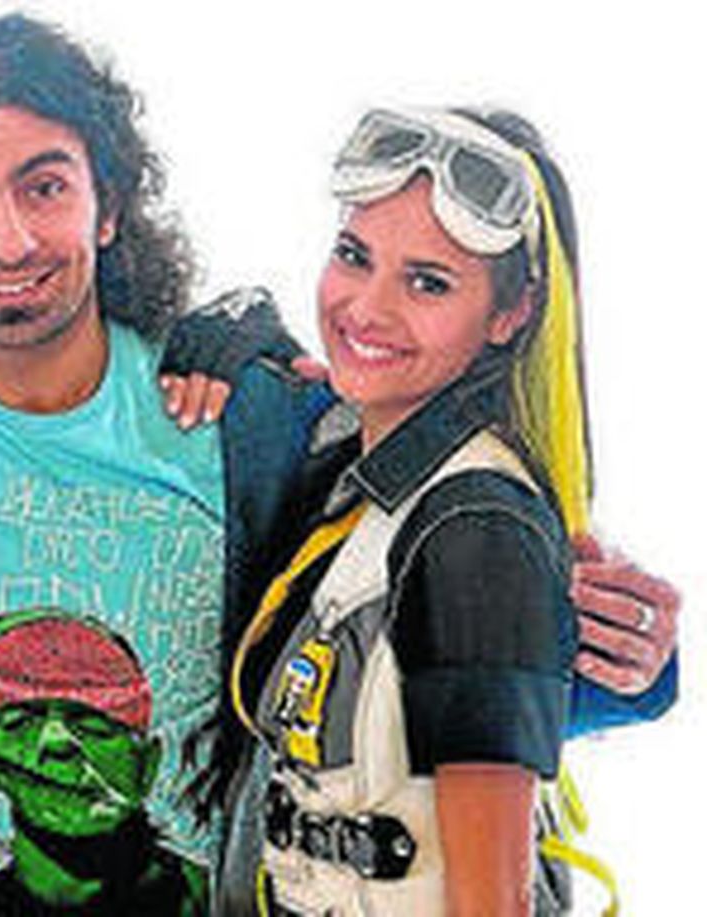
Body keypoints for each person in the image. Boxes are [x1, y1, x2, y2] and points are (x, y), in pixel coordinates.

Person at [0, 12, 678, 906]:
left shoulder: (245, 419)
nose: (8, 239)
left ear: (109, 205)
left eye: (45, 187)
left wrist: (620, 662)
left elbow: (400, 657)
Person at [229, 105, 622, 915]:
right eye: (354, 255)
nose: (366, 309)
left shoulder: (476, 533)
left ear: (512, 313)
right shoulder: (365, 489)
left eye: (428, 282)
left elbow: (492, 904)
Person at [0, 610, 204, 915]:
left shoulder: (221, 889)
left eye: (94, 724)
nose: (58, 742)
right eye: (19, 723)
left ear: (148, 762)